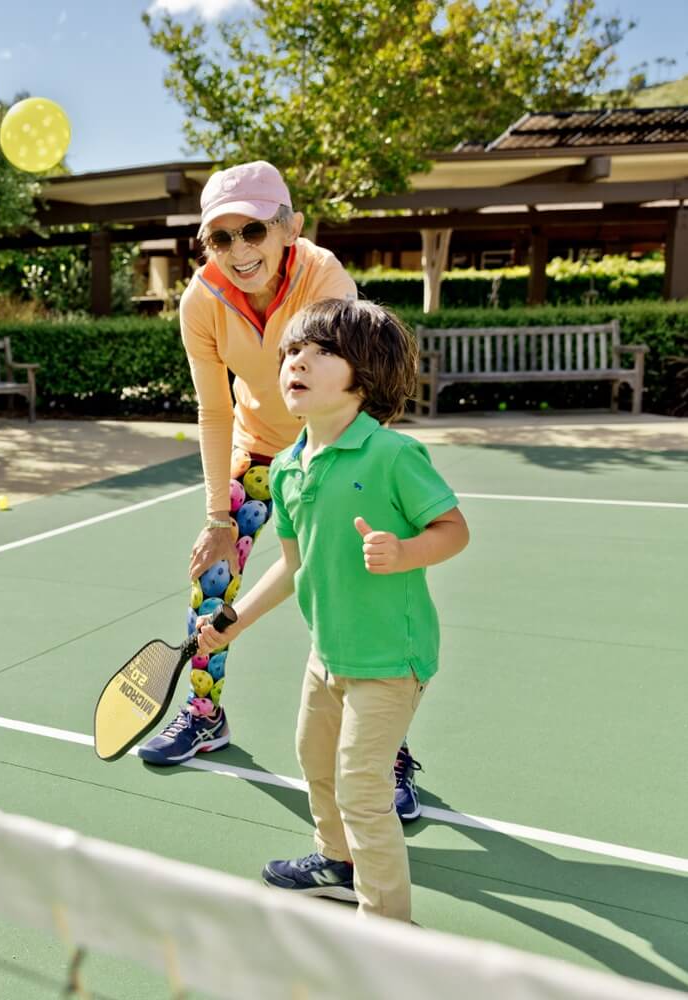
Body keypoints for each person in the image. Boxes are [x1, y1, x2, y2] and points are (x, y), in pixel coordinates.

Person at [138, 160, 425, 825]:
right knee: (212, 579)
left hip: (329, 443)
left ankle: (387, 751)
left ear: (288, 227)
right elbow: (214, 411)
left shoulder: (323, 276)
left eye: (254, 231)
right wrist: (216, 515)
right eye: (222, 237)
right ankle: (205, 716)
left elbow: (356, 379)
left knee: (357, 591)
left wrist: (355, 471)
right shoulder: (201, 302)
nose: (240, 250)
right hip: (259, 450)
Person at [194, 298, 469, 921]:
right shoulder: (289, 467)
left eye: (322, 352)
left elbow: (454, 530)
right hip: (328, 654)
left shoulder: (393, 456)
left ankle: (387, 929)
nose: (298, 361)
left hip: (390, 659)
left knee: (363, 788)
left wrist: (406, 551)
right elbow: (294, 566)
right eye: (292, 351)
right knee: (313, 759)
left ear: (363, 376)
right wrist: (234, 618)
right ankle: (338, 865)